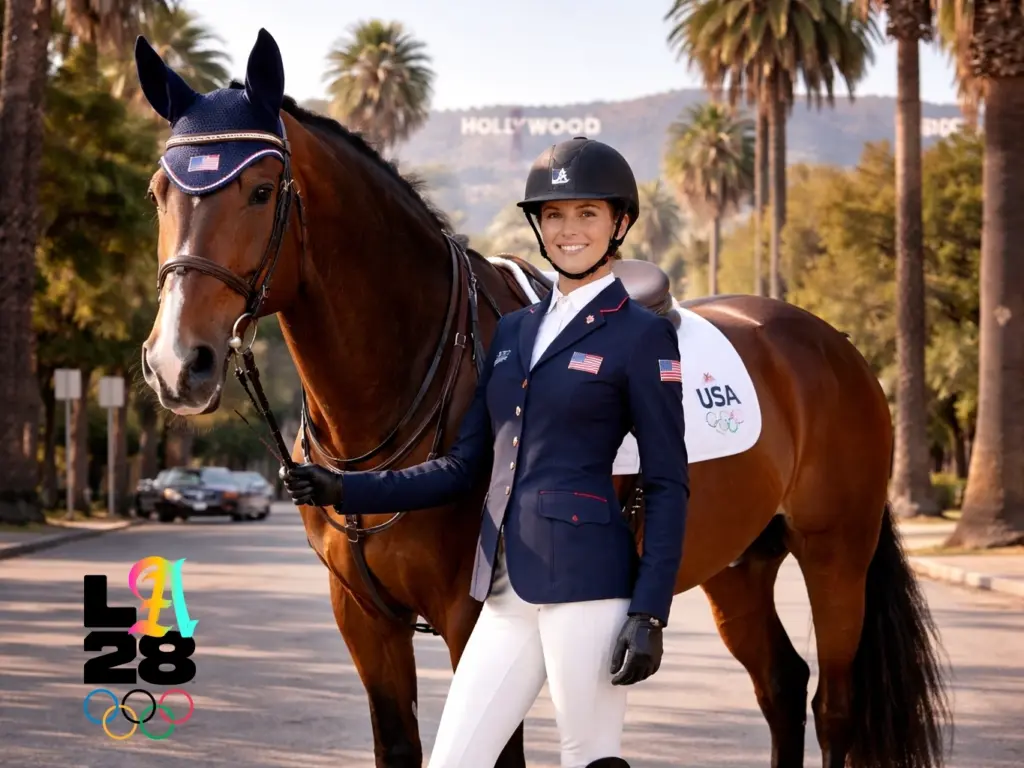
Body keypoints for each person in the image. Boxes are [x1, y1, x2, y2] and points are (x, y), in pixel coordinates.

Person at [281, 136, 689, 768]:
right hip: (503, 590)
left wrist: (650, 611)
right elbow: (463, 466)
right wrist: (342, 488)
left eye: (587, 214)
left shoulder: (642, 335)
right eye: (554, 215)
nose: (568, 230)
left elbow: (666, 480)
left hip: (588, 586)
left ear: (620, 224)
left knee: (587, 757)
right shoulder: (514, 330)